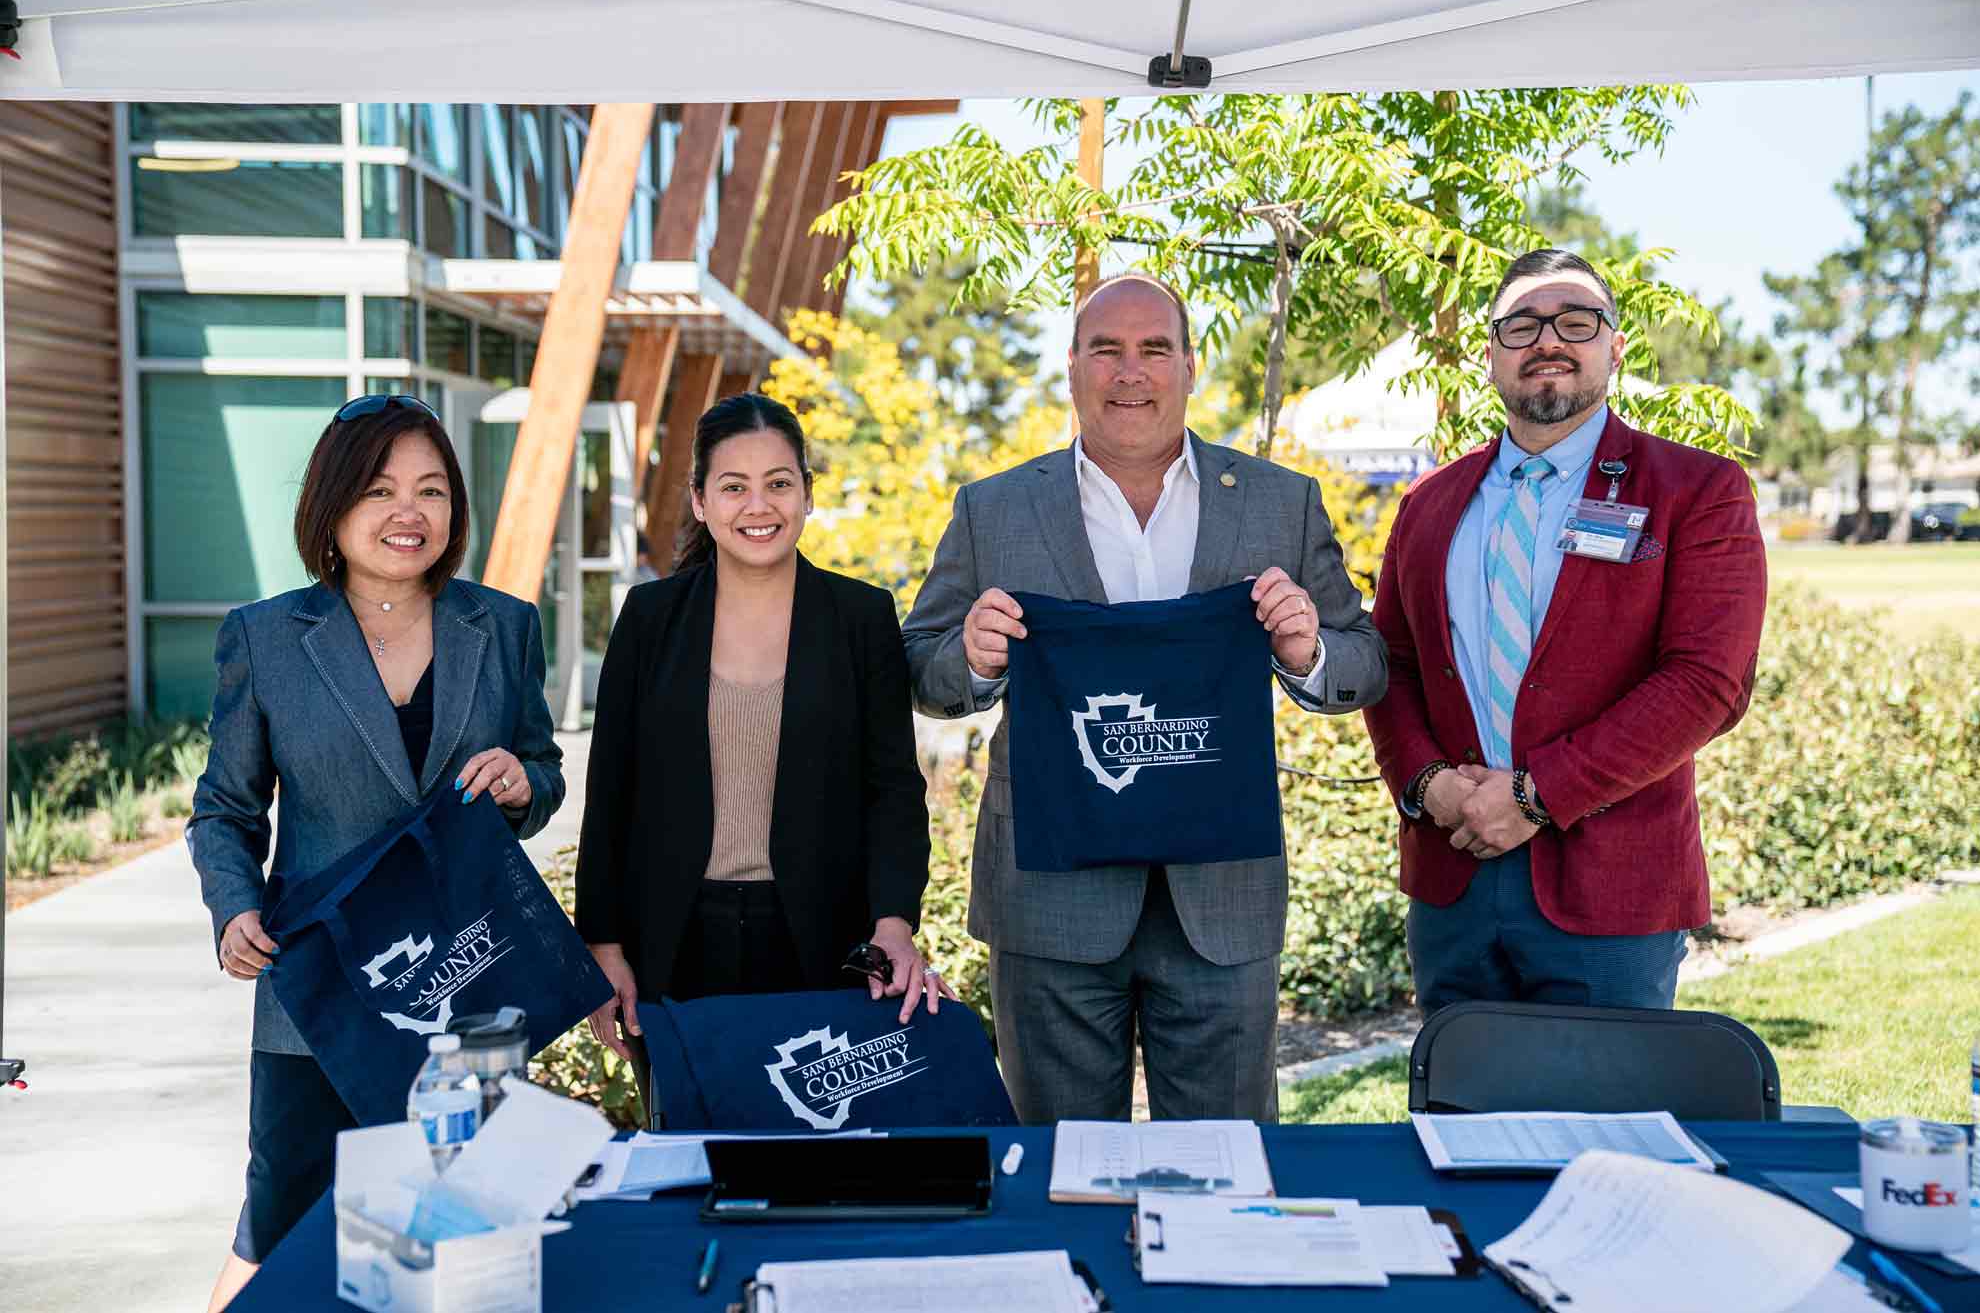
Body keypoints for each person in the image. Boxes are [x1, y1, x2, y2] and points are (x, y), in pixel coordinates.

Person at [901, 274, 1388, 1125]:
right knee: (1057, 1169)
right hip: (1048, 902)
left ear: (1191, 367)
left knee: (1228, 1172)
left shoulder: (1280, 502)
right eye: (1107, 350)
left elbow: (1365, 661)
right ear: (1072, 368)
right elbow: (919, 664)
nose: (1132, 372)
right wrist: (971, 661)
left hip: (1220, 902)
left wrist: (1308, 649)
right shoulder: (995, 509)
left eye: (1155, 349)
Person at [188, 394, 564, 1311]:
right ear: (334, 505)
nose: (410, 512)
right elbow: (225, 808)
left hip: (467, 988)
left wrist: (523, 783)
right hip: (317, 992)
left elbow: (543, 770)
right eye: (382, 489)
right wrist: (235, 907)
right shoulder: (267, 636)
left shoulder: (503, 626)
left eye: (432, 491)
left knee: (464, 1231)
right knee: (281, 1229)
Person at [1362, 248, 1767, 1015]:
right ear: (1489, 357)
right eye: (1521, 325)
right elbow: (1394, 664)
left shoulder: (1696, 490)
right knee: (1455, 1118)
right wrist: (1427, 785)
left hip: (1611, 891)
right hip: (1454, 880)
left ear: (1615, 348)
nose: (1547, 340)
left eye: (1575, 322)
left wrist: (1538, 795)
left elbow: (1706, 683)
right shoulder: (1429, 504)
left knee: (1608, 1130)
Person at [577, 393, 946, 1063]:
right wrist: (603, 947)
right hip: (673, 944)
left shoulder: (861, 617)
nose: (758, 507)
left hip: (825, 945)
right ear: (699, 500)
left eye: (779, 484)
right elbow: (611, 791)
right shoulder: (651, 617)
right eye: (733, 487)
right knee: (690, 1155)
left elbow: (891, 788)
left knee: (815, 1156)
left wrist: (895, 922)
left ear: (807, 494)